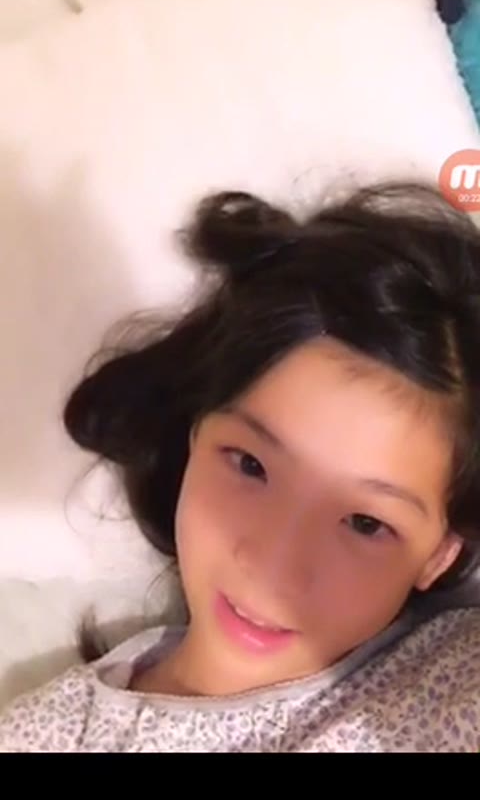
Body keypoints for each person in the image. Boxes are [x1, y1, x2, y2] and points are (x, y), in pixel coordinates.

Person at [1, 181, 480, 753]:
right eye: (251, 465)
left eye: (365, 523)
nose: (275, 565)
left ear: (438, 555)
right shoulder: (43, 738)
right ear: (195, 432)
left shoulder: (452, 687)